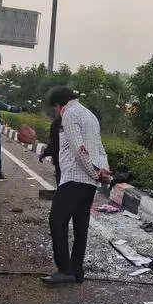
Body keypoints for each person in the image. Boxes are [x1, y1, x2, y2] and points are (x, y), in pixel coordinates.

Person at [41, 86, 110, 285]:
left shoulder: (69, 114)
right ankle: (76, 270)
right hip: (88, 183)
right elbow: (100, 148)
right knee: (81, 226)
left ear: (58, 104)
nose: (56, 112)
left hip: (74, 178)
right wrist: (103, 171)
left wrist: (94, 172)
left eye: (55, 108)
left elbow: (79, 149)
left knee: (57, 221)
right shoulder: (90, 115)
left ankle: (64, 269)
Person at [39, 114, 62, 184]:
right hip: (75, 162)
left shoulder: (57, 122)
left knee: (61, 181)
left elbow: (54, 143)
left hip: (61, 160)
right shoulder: (77, 119)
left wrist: (45, 154)